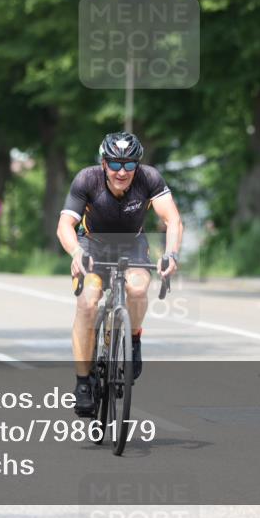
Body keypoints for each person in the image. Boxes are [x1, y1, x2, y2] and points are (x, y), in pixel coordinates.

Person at [57, 131, 182, 417]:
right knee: (87, 302)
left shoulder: (149, 178)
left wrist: (171, 254)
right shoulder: (87, 179)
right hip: (92, 245)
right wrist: (76, 253)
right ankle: (83, 382)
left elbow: (172, 219)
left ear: (138, 165)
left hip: (132, 244)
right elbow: (64, 225)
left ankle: (133, 340)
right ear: (104, 163)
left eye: (129, 164)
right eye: (115, 164)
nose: (122, 172)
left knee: (137, 288)